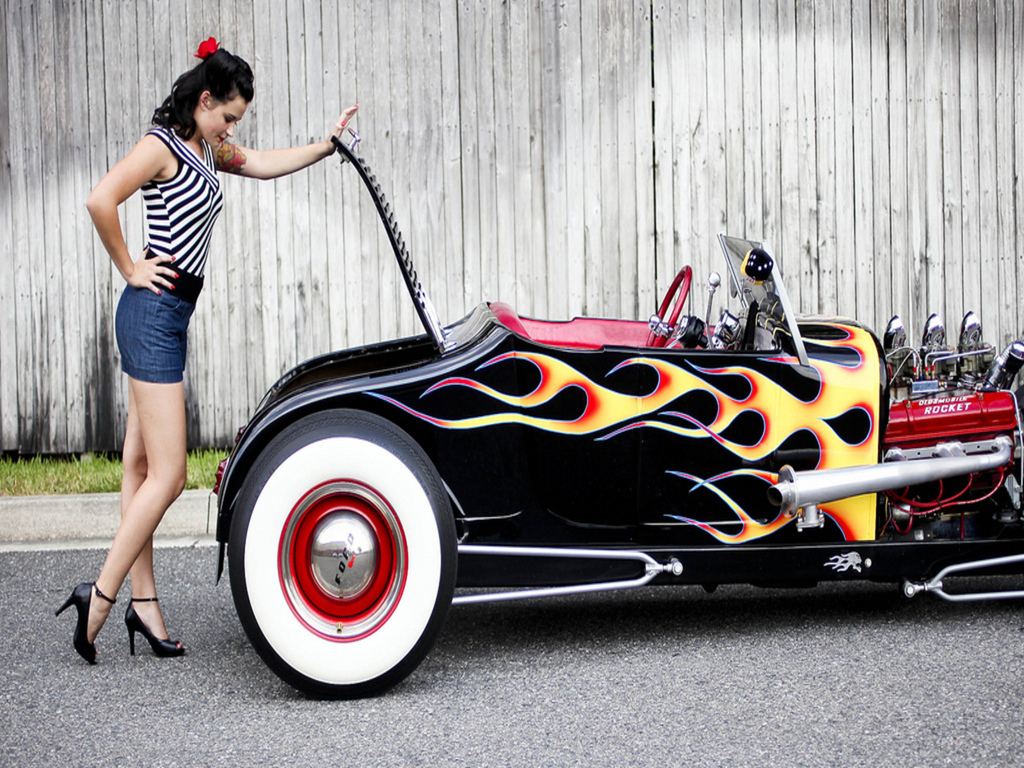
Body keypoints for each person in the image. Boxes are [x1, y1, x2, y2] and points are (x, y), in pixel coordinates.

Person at [56, 37, 359, 663]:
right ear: (203, 101)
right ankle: (99, 597)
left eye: (236, 121)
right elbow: (99, 199)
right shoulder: (162, 147)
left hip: (169, 315)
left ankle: (144, 605)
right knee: (169, 475)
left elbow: (264, 163)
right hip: (152, 312)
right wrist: (129, 267)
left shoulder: (207, 151)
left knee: (139, 466)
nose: (232, 130)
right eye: (228, 116)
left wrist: (327, 145)